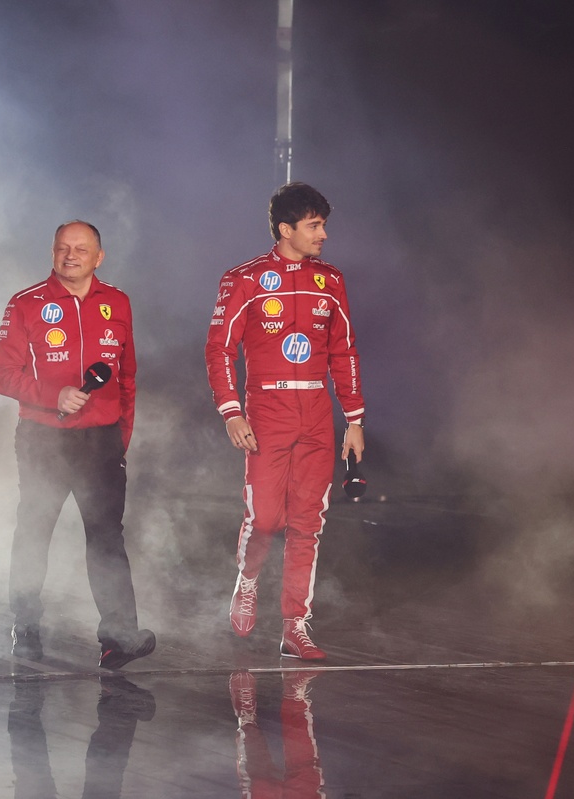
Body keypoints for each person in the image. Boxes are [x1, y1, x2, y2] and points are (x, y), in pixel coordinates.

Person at [204, 182, 366, 661]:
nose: (324, 235)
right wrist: (231, 411)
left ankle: (296, 625)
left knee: (307, 523)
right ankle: (247, 582)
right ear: (286, 229)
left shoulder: (330, 280)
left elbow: (344, 350)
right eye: (315, 226)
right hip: (267, 411)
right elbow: (218, 349)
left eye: (323, 225)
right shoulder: (245, 279)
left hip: (317, 412)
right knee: (267, 518)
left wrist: (354, 419)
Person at [0, 220, 155, 670]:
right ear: (52, 252)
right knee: (34, 532)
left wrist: (120, 438)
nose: (71, 255)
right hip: (44, 440)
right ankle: (25, 625)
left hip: (101, 443)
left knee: (107, 537)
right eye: (63, 248)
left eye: (81, 249)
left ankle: (119, 636)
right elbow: (1, 375)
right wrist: (52, 395)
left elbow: (128, 379)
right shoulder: (26, 304)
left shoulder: (117, 302)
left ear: (98, 257)